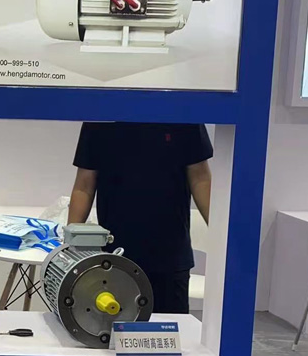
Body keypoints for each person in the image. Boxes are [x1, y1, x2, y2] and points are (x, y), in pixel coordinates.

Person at [68, 122, 213, 314]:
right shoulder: (101, 119)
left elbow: (200, 178)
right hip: (115, 257)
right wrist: (69, 245)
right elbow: (84, 186)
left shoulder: (181, 113)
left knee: (170, 328)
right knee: (113, 327)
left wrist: (222, 233)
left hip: (170, 255)